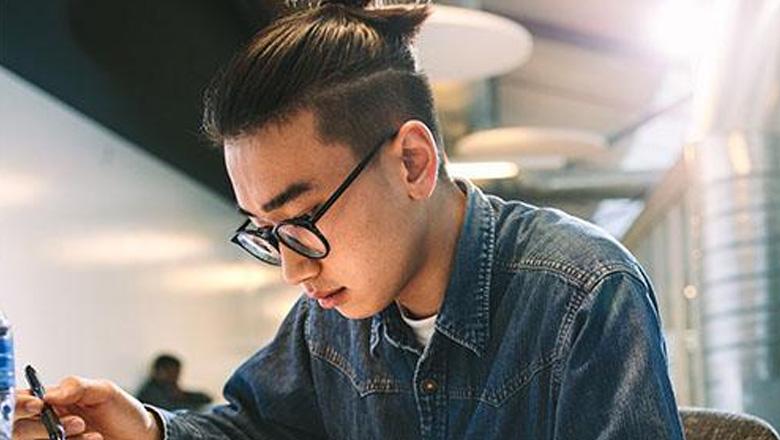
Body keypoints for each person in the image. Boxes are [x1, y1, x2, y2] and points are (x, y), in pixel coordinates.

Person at [13, 0, 685, 438]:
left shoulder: (581, 295)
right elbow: (253, 430)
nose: (292, 269)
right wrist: (149, 429)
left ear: (414, 162)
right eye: (265, 233)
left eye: (303, 217)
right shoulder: (326, 323)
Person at [136, 354, 212, 412]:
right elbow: (172, 410)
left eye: (176, 373)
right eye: (170, 372)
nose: (175, 377)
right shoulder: (149, 392)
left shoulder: (168, 388)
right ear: (158, 371)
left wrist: (182, 395)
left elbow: (206, 398)